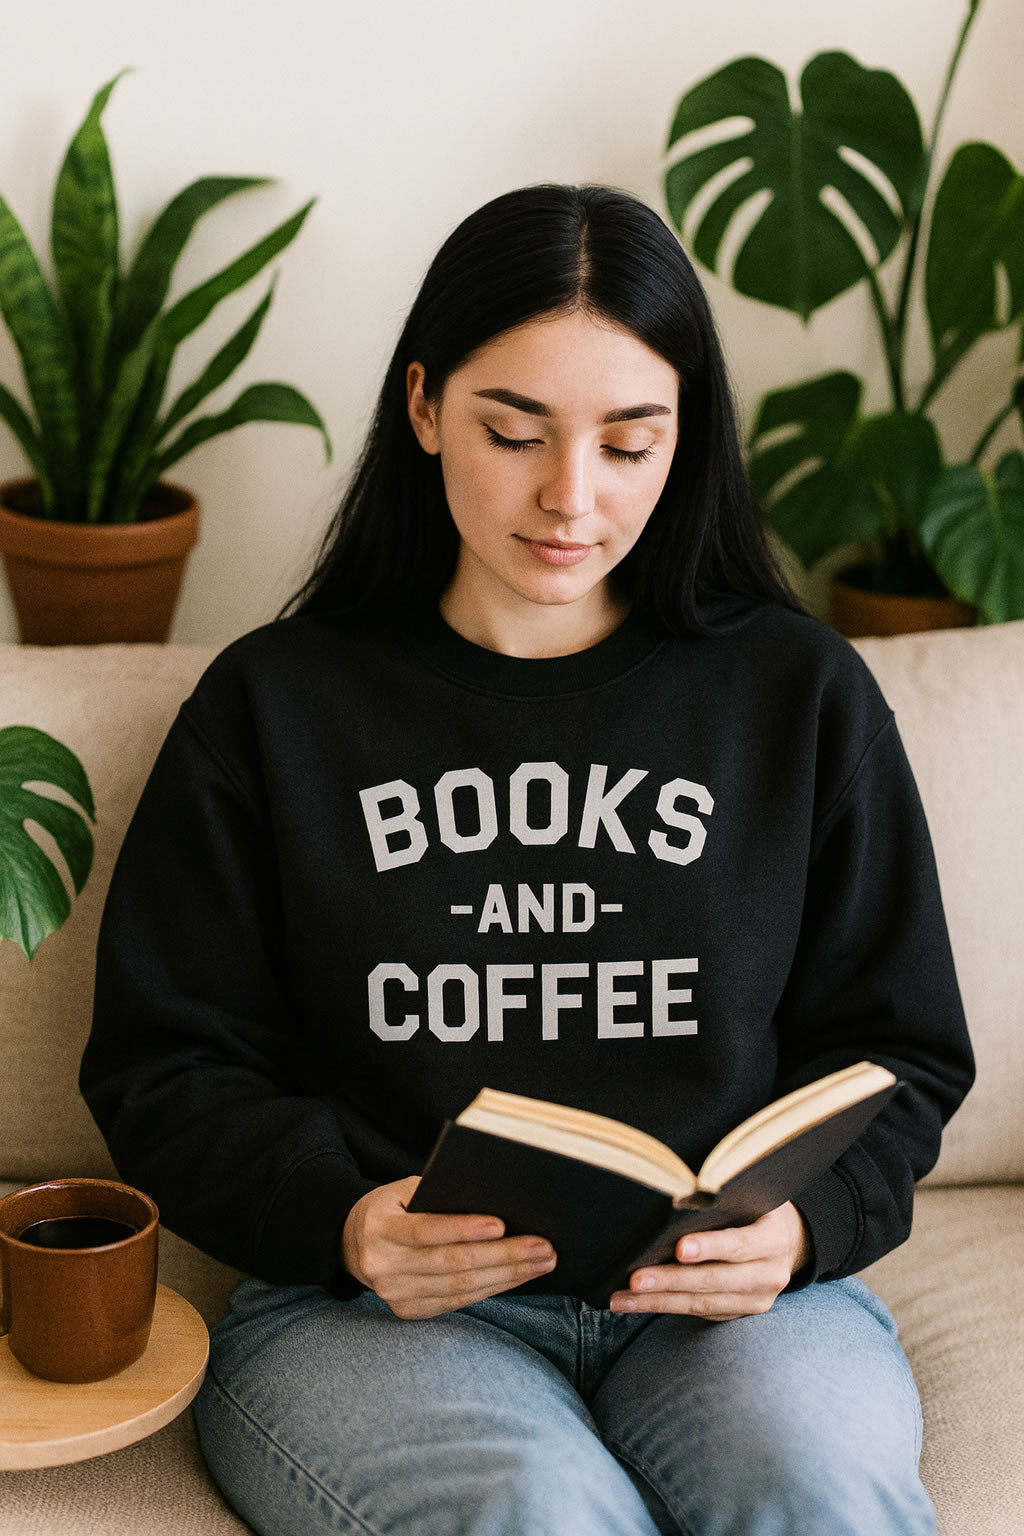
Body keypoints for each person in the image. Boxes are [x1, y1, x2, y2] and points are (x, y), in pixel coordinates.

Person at [80, 183, 974, 1536]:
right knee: (535, 1513)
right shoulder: (275, 709)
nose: (573, 497)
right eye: (516, 432)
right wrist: (346, 1219)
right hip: (374, 1314)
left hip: (732, 1312)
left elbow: (904, 1051)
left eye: (631, 444)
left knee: (823, 1498)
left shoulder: (796, 697)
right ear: (427, 408)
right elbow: (161, 1063)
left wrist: (798, 1234)